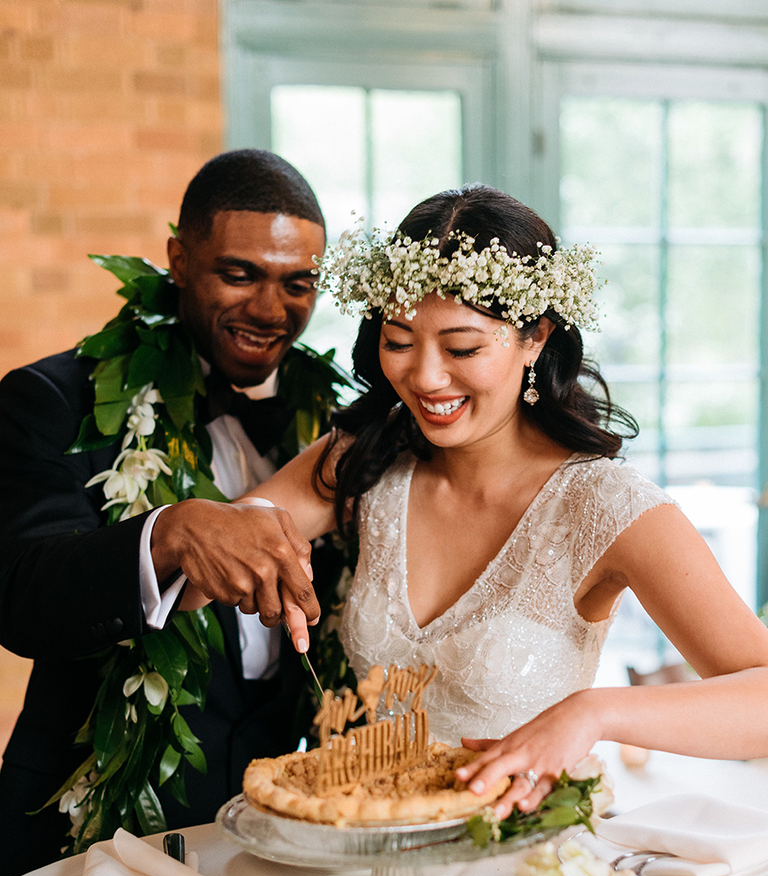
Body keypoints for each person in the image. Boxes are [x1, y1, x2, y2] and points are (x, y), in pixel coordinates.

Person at [211, 183, 768, 819]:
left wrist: (596, 712)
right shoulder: (367, 458)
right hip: (373, 852)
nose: (424, 377)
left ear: (534, 338)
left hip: (523, 873)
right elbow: (221, 544)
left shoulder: (607, 506)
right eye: (399, 342)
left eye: (463, 348)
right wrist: (235, 538)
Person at [0, 149, 332, 876]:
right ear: (179, 259)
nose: (271, 309)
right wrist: (169, 534)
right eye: (239, 274)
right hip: (80, 836)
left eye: (297, 282)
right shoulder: (53, 400)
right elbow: (22, 599)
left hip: (272, 837)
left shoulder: (330, 421)